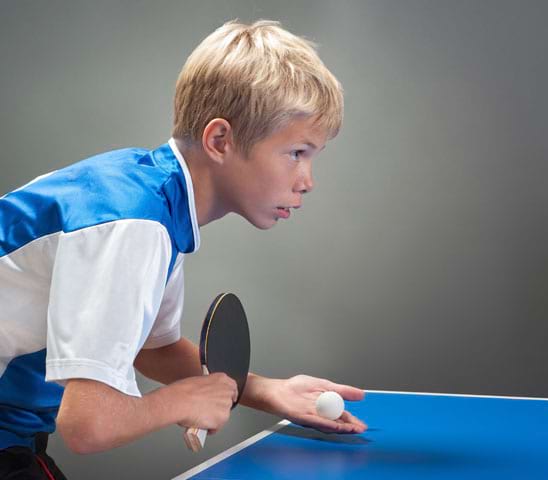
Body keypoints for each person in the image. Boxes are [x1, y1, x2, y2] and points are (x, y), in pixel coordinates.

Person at [0, 19, 367, 479]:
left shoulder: (151, 197)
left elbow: (152, 348)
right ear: (220, 140)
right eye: (297, 153)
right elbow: (87, 425)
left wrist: (262, 390)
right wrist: (180, 400)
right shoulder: (135, 224)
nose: (308, 181)